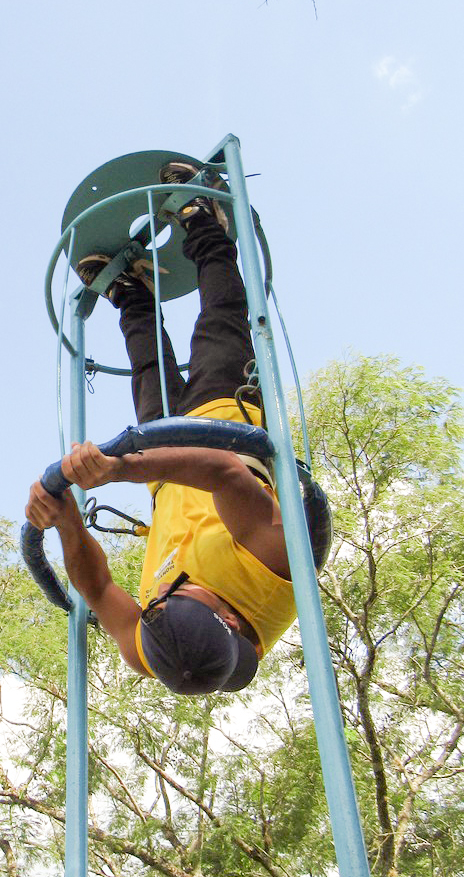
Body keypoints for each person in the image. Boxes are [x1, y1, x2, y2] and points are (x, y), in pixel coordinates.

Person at [24, 162, 296, 696]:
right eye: (182, 592)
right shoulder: (273, 575)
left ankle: (131, 290)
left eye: (161, 599)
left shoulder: (151, 648)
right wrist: (114, 470)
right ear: (232, 621)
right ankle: (205, 222)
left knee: (147, 368)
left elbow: (98, 587)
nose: (166, 589)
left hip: (162, 468)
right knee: (218, 321)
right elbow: (222, 472)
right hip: (225, 424)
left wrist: (65, 520)